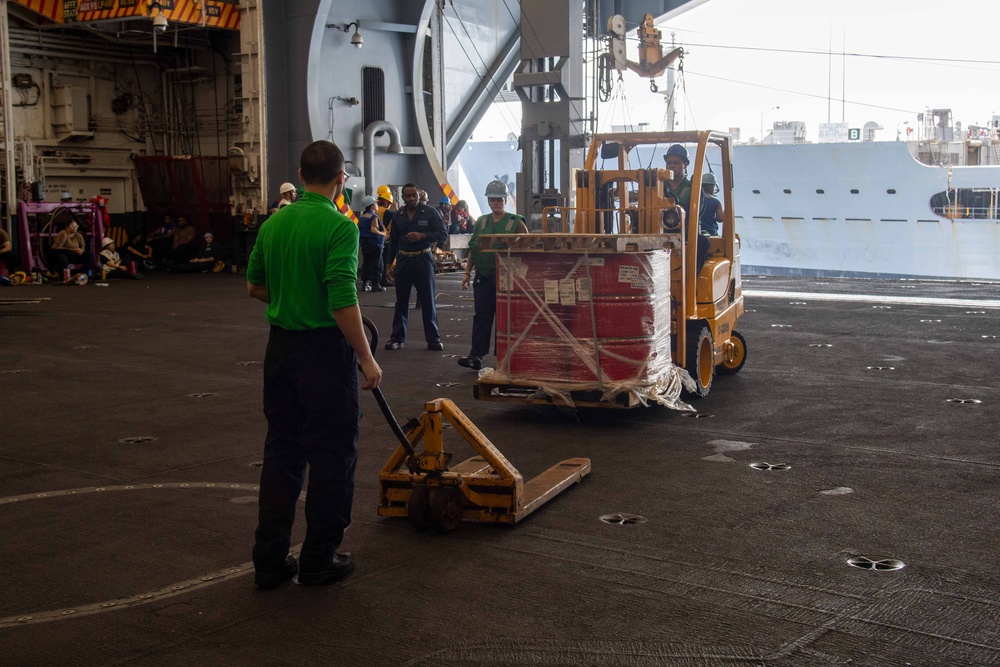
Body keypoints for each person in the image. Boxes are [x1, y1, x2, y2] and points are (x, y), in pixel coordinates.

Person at [246, 139, 382, 589]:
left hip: (280, 352)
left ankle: (269, 560)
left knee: (282, 454)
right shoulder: (340, 227)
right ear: (341, 179)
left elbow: (255, 287)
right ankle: (319, 558)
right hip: (324, 356)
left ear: (301, 177)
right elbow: (343, 301)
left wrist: (291, 297)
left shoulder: (274, 225)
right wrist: (365, 359)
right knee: (331, 456)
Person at [457, 180, 528, 371]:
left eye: (499, 199)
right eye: (492, 200)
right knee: (482, 316)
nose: (495, 203)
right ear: (488, 201)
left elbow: (527, 249)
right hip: (483, 276)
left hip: (506, 278)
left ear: (505, 200)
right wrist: (466, 273)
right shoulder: (481, 222)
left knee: (506, 317)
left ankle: (504, 357)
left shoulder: (516, 222)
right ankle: (475, 356)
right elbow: (474, 248)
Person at [384, 183, 449, 351]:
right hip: (404, 260)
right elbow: (393, 243)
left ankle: (433, 339)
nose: (412, 198)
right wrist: (388, 265)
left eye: (415, 195)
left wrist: (423, 235)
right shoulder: (398, 215)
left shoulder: (430, 213)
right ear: (403, 198)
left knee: (427, 300)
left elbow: (443, 233)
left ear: (419, 196)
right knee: (401, 301)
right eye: (408, 196)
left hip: (423, 259)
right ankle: (397, 338)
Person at [662, 143, 710, 273]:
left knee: (702, 242)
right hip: (661, 233)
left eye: (676, 163)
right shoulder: (658, 187)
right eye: (669, 163)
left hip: (686, 234)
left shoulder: (693, 188)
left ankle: (691, 278)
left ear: (685, 164)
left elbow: (697, 211)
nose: (671, 166)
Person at [357, 195, 386, 292]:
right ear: (372, 206)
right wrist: (383, 233)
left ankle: (365, 284)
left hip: (365, 244)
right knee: (377, 264)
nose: (377, 205)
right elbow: (374, 230)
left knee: (367, 263)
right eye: (375, 203)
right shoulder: (373, 217)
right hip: (375, 243)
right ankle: (376, 285)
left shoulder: (362, 217)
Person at [376, 185, 395, 288]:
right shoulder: (388, 212)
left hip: (374, 239)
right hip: (385, 238)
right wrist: (396, 208)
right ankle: (384, 279)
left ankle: (374, 280)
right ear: (387, 201)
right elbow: (397, 219)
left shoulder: (374, 209)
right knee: (385, 260)